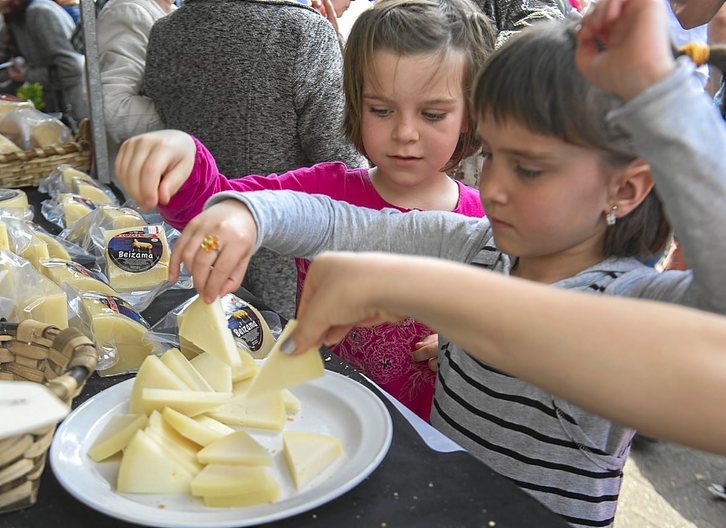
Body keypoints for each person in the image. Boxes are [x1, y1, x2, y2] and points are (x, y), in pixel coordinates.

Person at [156, 0, 726, 524]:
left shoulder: (630, 301)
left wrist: (663, 98)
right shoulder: (477, 244)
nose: (495, 186)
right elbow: (337, 220)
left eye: (527, 168)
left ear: (625, 191)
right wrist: (245, 214)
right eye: (495, 155)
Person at [116, 0, 495, 422]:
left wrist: (463, 348)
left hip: (431, 431)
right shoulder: (321, 191)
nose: (404, 133)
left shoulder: (485, 222)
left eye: (433, 113)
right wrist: (184, 158)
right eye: (381, 110)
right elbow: (216, 208)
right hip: (324, 412)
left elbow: (508, 320)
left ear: (468, 115)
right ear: (354, 103)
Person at [142, 0, 369, 320]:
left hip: (197, 250)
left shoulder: (166, 32)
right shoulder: (300, 30)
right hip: (289, 271)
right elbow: (346, 169)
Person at [96, 0, 175, 181]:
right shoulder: (129, 10)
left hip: (163, 170)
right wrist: (189, 113)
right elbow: (113, 109)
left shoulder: (172, 9)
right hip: (142, 180)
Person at [0, 0, 87, 122]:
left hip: (76, 113)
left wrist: (26, 75)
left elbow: (72, 68)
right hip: (59, 110)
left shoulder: (38, 12)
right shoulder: (13, 16)